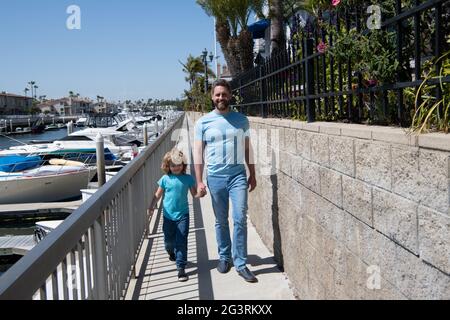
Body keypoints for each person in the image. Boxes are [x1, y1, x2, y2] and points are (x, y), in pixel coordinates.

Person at [194, 79, 258, 283]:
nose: (221, 98)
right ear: (212, 97)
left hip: (237, 175)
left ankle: (240, 263)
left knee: (239, 218)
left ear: (230, 96)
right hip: (215, 178)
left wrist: (253, 173)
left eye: (224, 94)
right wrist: (199, 181)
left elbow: (248, 148)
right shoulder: (203, 122)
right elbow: (198, 152)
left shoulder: (241, 120)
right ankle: (224, 257)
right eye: (217, 94)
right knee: (221, 220)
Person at [151, 148, 198, 282]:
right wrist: (151, 206)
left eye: (178, 164)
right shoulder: (165, 179)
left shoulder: (188, 179)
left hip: (183, 214)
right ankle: (171, 252)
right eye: (173, 165)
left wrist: (201, 192)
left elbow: (194, 195)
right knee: (169, 241)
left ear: (183, 165)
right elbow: (158, 194)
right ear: (167, 166)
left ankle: (181, 268)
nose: (176, 167)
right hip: (168, 216)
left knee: (181, 240)